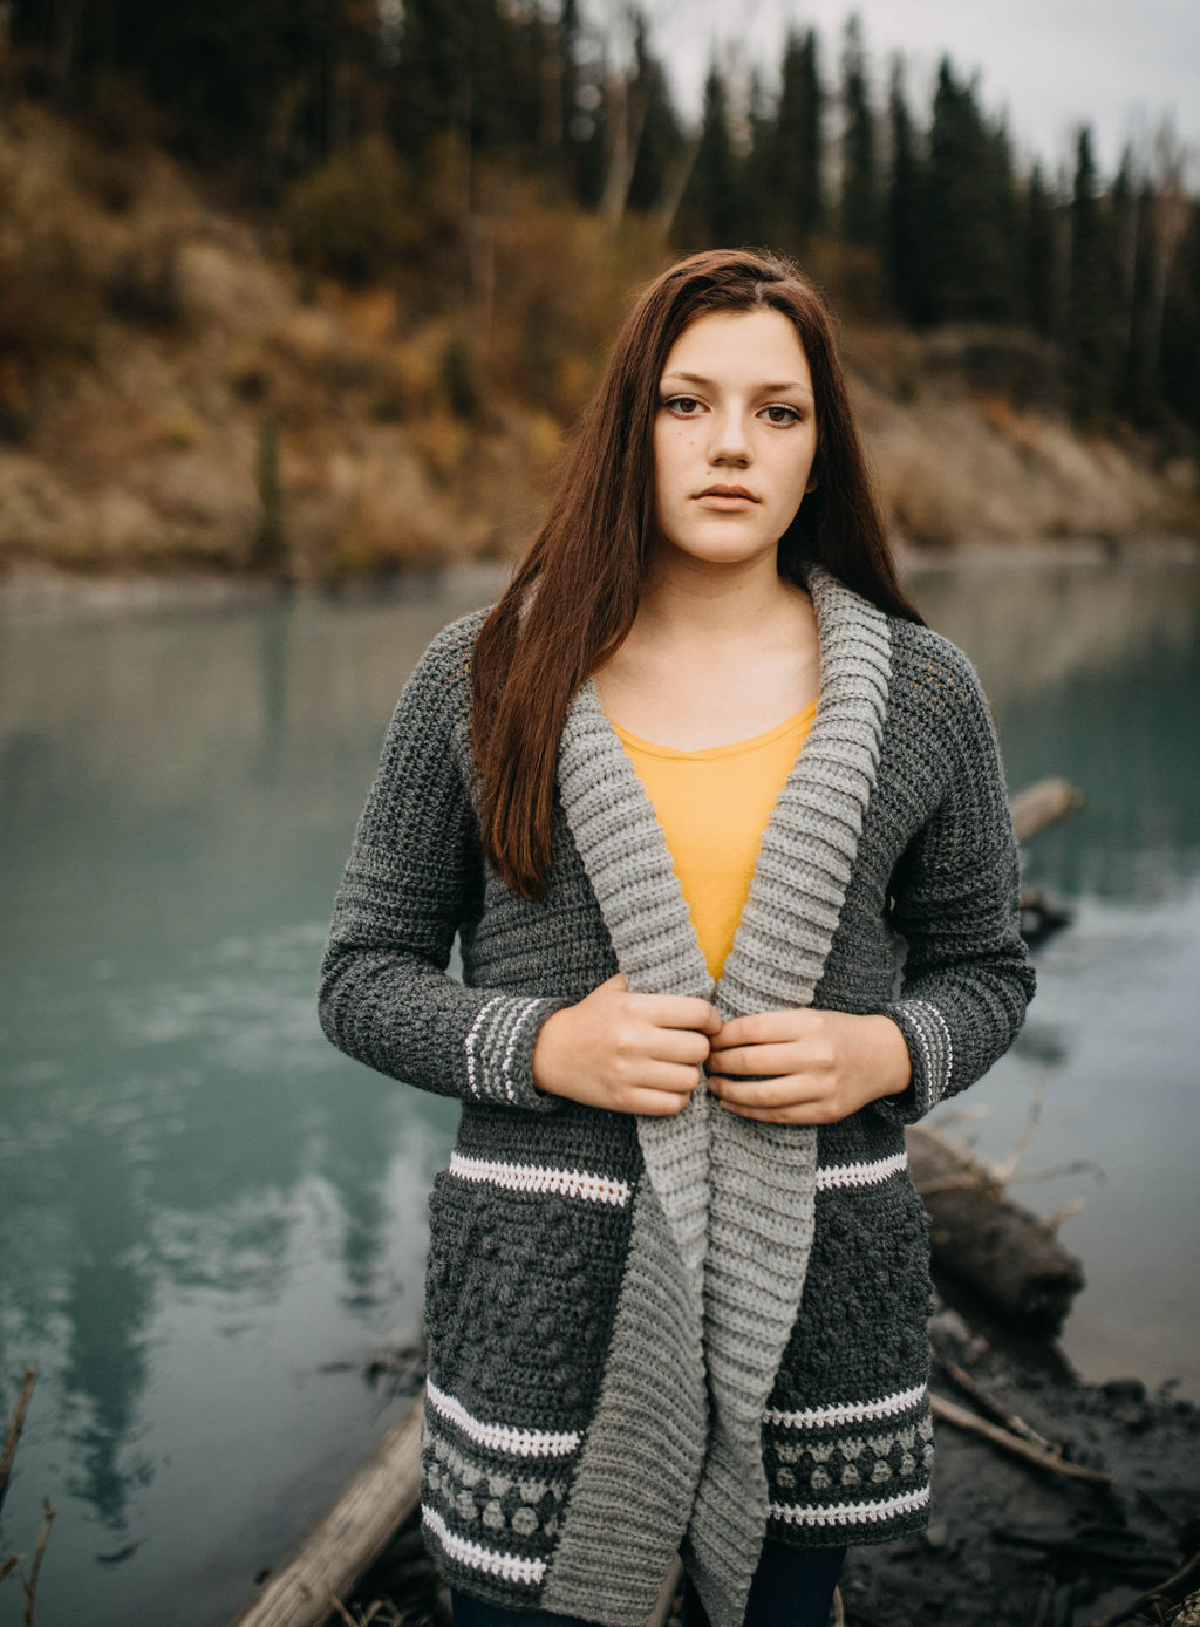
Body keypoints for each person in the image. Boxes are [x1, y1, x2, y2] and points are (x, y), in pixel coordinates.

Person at [318, 247, 1036, 1627]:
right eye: (686, 402)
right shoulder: (485, 678)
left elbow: (988, 974)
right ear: (626, 427)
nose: (730, 446)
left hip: (816, 1317)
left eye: (779, 412)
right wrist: (542, 1046)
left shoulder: (924, 695)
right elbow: (361, 977)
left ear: (822, 448)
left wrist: (887, 1051)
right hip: (546, 1321)